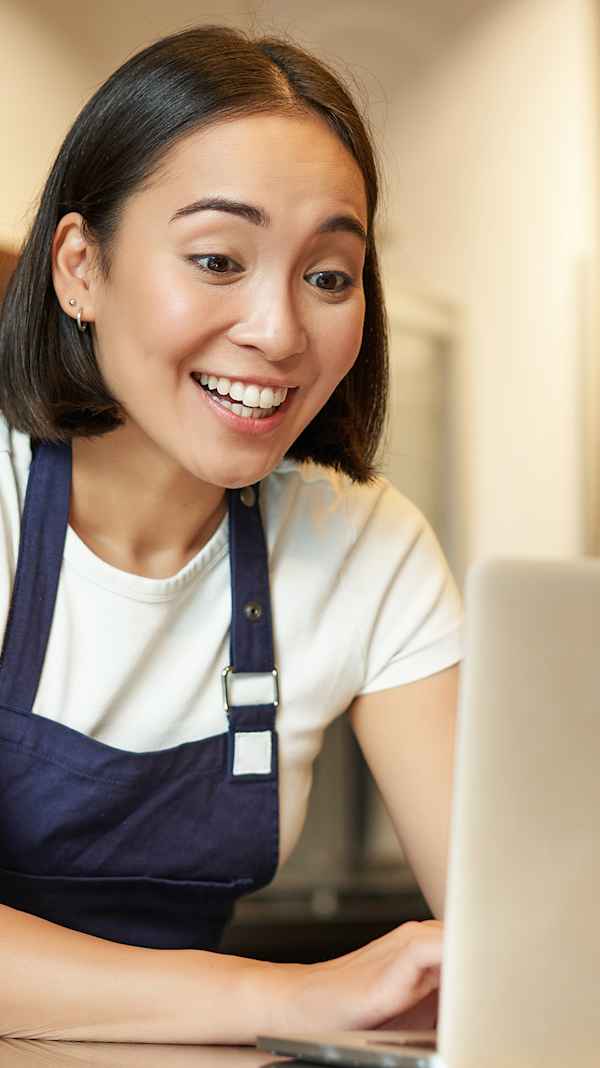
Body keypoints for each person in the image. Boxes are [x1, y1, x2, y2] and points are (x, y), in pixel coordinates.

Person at [0, 25, 461, 1043]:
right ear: (79, 268)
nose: (281, 330)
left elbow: (513, 911)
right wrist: (281, 996)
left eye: (329, 276)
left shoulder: (365, 549)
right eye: (218, 258)